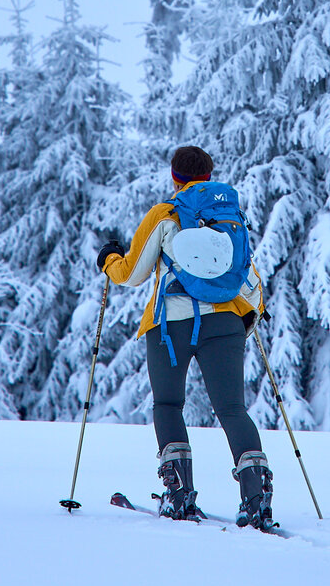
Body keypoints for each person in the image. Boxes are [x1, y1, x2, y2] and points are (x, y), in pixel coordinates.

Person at [96, 145, 274, 528]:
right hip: (225, 322)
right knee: (232, 409)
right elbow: (247, 275)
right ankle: (257, 497)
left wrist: (109, 259)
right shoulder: (230, 216)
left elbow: (132, 273)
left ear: (174, 177)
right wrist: (247, 319)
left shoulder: (165, 213)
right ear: (209, 176)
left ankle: (178, 495)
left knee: (168, 404)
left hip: (170, 325)